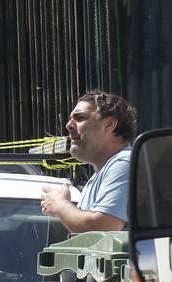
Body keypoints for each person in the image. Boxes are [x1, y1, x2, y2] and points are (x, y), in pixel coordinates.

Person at [41, 90, 136, 233]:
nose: (68, 125)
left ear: (109, 124)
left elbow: (103, 227)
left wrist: (60, 205)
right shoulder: (100, 175)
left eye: (79, 118)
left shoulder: (124, 164)